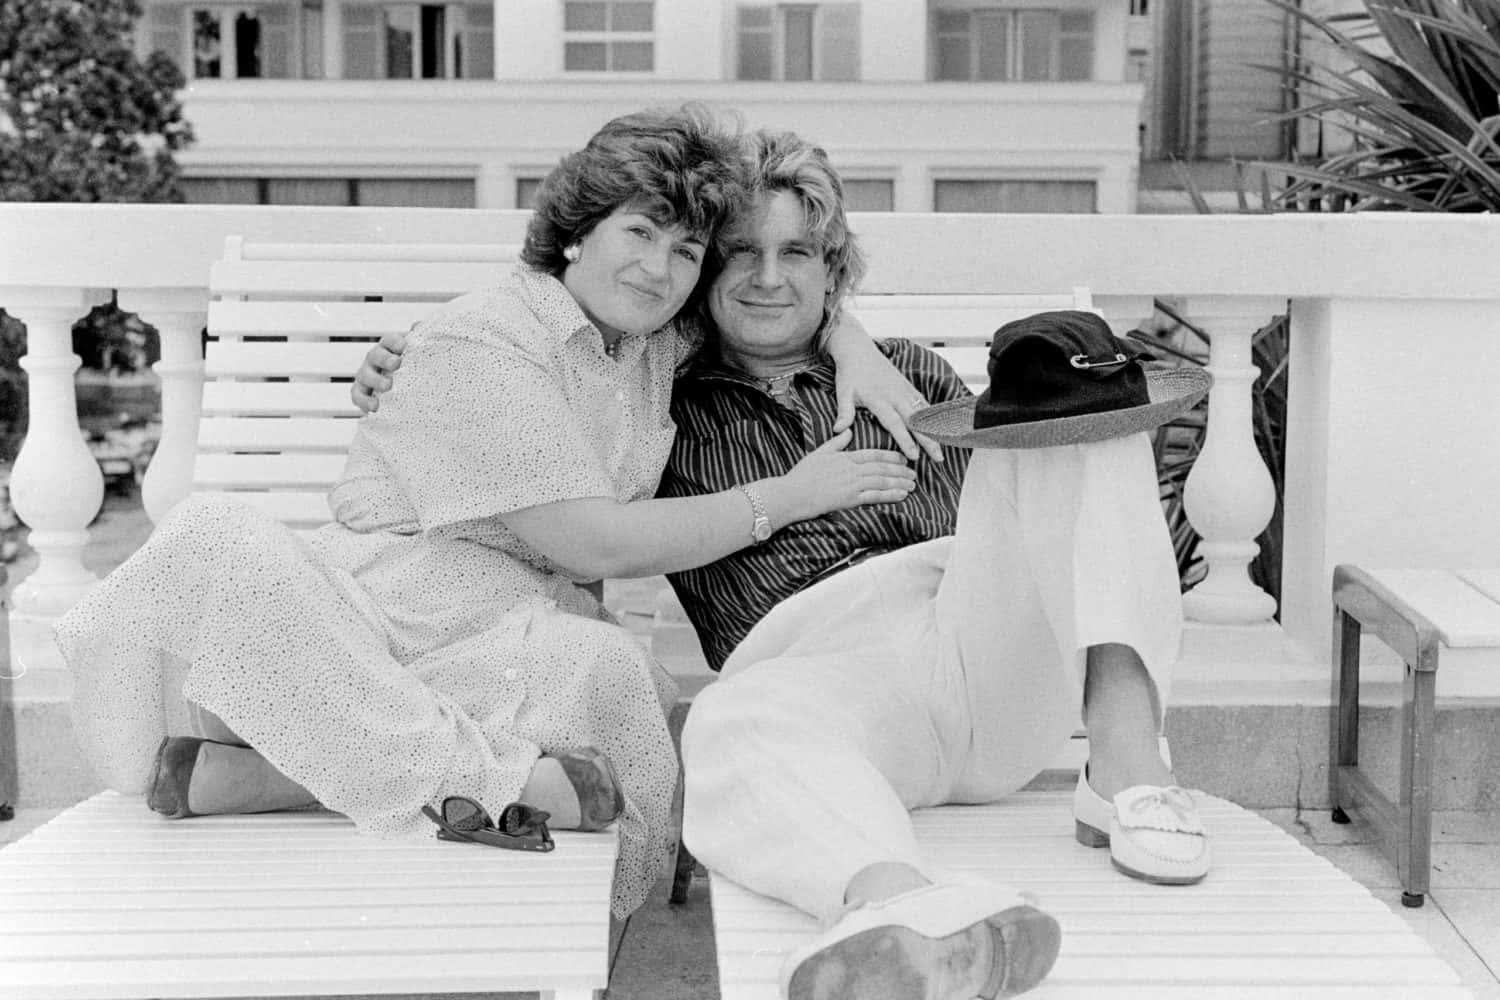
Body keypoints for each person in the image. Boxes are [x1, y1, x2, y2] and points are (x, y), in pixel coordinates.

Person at [355, 128, 1212, 999]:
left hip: (975, 635)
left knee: (1069, 379)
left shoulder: (908, 374)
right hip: (817, 680)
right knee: (726, 723)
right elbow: (531, 392)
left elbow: (1055, 533)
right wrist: (406, 361)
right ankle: (900, 913)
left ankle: (1127, 770)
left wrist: (853, 342)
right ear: (702, 278)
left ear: (833, 272)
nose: (769, 278)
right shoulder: (660, 393)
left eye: (797, 251)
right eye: (740, 253)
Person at [53, 105, 923, 921]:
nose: (662, 267)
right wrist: (793, 496)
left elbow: (774, 305)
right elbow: (592, 539)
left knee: (610, 677)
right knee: (218, 539)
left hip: (504, 628)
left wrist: (854, 345)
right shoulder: (483, 341)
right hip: (364, 620)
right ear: (577, 232)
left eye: (688, 249)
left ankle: (270, 779)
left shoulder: (653, 337)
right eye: (640, 232)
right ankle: (493, 785)